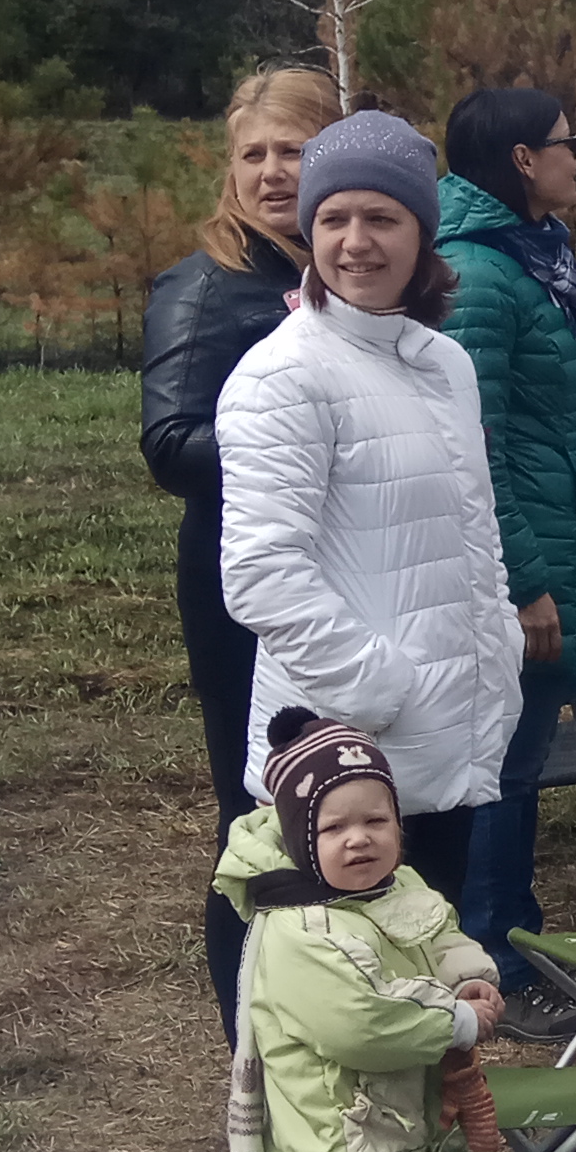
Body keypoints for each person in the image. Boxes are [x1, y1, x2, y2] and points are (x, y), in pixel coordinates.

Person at [216, 111, 527, 911]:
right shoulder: (282, 377)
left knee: (428, 960)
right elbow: (260, 574)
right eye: (333, 220)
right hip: (347, 762)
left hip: (445, 738)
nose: (356, 243)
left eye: (382, 218)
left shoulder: (444, 363)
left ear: (423, 233)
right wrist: (380, 689)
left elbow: (472, 532)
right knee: (345, 979)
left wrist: (499, 647)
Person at [139, 61, 342, 1152]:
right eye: (254, 154)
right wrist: (302, 436)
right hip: (242, 596)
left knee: (343, 826)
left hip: (334, 580)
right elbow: (170, 442)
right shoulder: (206, 287)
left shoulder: (324, 274)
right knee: (263, 834)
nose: (272, 174)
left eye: (293, 153)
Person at [215, 713, 505, 1152]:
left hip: (366, 1137)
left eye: (376, 819)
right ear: (298, 838)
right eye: (333, 827)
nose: (360, 839)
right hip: (349, 1148)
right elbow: (362, 1024)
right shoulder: (302, 931)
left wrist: (470, 975)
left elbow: (438, 931)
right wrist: (456, 1022)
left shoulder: (394, 886)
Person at [437, 85, 576, 998]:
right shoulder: (478, 277)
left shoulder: (531, 258)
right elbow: (477, 446)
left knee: (520, 763)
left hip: (558, 536)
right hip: (528, 566)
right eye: (566, 143)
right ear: (522, 159)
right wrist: (525, 584)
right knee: (502, 773)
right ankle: (496, 961)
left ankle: (511, 939)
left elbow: (541, 417)